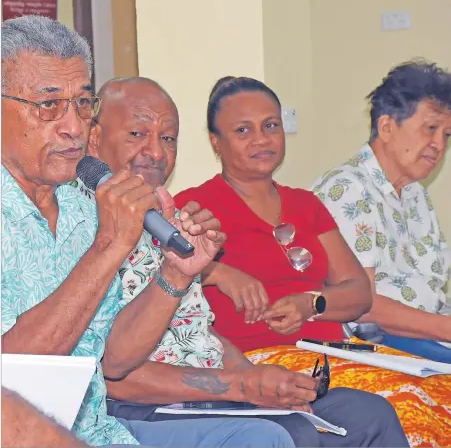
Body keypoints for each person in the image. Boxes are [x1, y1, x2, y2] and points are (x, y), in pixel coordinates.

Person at [1, 15, 295, 448]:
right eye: (48, 106)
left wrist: (175, 275)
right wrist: (108, 247)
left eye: (82, 104)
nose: (73, 127)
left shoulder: (84, 204)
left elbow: (116, 361)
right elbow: (14, 378)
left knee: (261, 438)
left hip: (101, 434)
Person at [78, 76, 409, 447]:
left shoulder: (165, 218)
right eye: (138, 134)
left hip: (216, 386)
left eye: (167, 138)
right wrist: (244, 385)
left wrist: (263, 380)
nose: (156, 152)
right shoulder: (83, 223)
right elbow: (111, 373)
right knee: (290, 433)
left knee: (369, 416)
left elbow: (201, 332)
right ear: (93, 138)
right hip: (146, 404)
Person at [175, 76, 373, 352]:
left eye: (271, 126)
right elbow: (161, 271)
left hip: (334, 355)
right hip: (253, 369)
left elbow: (360, 293)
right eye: (243, 130)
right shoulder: (193, 206)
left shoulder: (306, 204)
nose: (261, 139)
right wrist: (218, 273)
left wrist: (311, 304)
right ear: (216, 143)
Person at [310, 60, 451, 363]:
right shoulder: (347, 190)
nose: (439, 145)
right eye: (431, 129)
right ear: (387, 127)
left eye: (447, 135)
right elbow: (363, 307)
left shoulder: (416, 195)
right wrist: (446, 329)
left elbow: (433, 289)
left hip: (430, 336)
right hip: (379, 346)